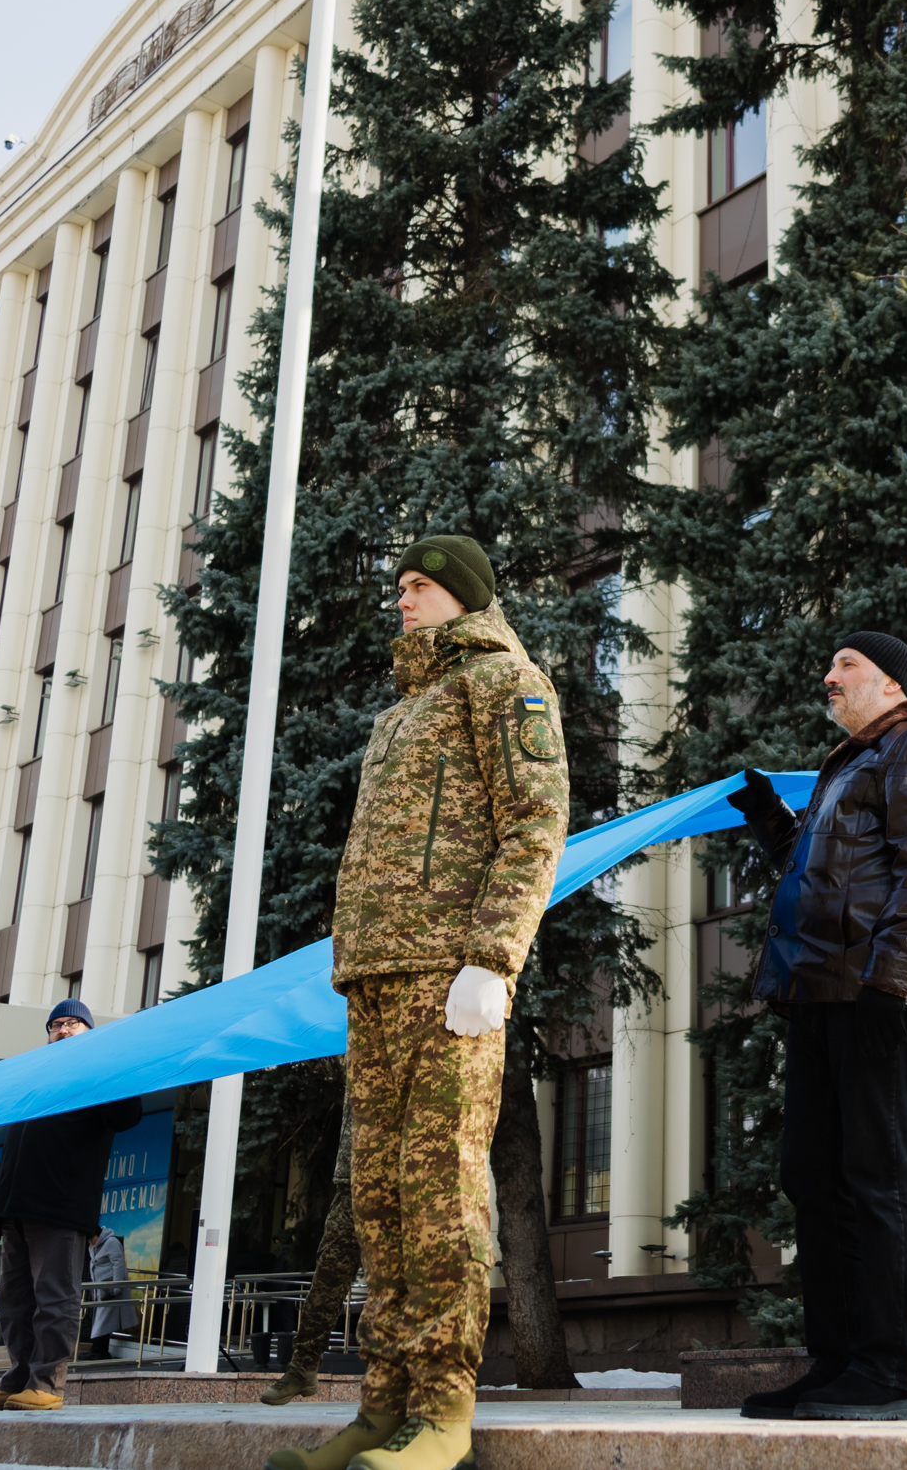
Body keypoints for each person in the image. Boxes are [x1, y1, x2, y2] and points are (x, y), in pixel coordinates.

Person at [272, 537, 567, 1470]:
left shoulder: (503, 682)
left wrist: (492, 956)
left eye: (421, 585)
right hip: (379, 978)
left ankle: (442, 1407)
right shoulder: (401, 714)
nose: (402, 599)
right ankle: (384, 1400)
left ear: (464, 597)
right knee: (381, 1193)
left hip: (451, 975)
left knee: (440, 1182)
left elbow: (535, 821)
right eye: (398, 583)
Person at [724, 631, 907, 1424]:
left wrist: (888, 987)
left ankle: (887, 1373)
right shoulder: (849, 764)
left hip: (878, 1002)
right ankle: (834, 1365)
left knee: (877, 1181)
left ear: (891, 682)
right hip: (820, 996)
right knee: (813, 1178)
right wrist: (768, 817)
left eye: (845, 665)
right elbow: (819, 867)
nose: (828, 676)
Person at [0, 1001, 141, 1413]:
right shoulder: (35, 1080)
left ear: (90, 1032)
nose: (62, 1030)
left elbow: (127, 1113)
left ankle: (47, 1384)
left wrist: (105, 1063)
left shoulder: (98, 1076)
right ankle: (16, 1381)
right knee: (14, 1304)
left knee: (55, 1298)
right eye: (56, 1025)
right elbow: (15, 1149)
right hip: (16, 1209)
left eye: (74, 1024)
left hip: (59, 1208)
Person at [260, 1090, 357, 1405]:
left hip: (400, 1181)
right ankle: (302, 1366)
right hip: (353, 1182)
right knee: (327, 1276)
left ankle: (398, 1383)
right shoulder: (364, 1050)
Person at [85, 1226, 133, 1361]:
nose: (91, 1243)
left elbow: (118, 1264)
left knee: (102, 1321)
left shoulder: (111, 1243)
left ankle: (98, 1351)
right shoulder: (94, 1247)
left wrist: (116, 1288)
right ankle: (99, 1350)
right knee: (102, 1321)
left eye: (92, 1239)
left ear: (98, 1235)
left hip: (109, 1290)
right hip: (101, 1290)